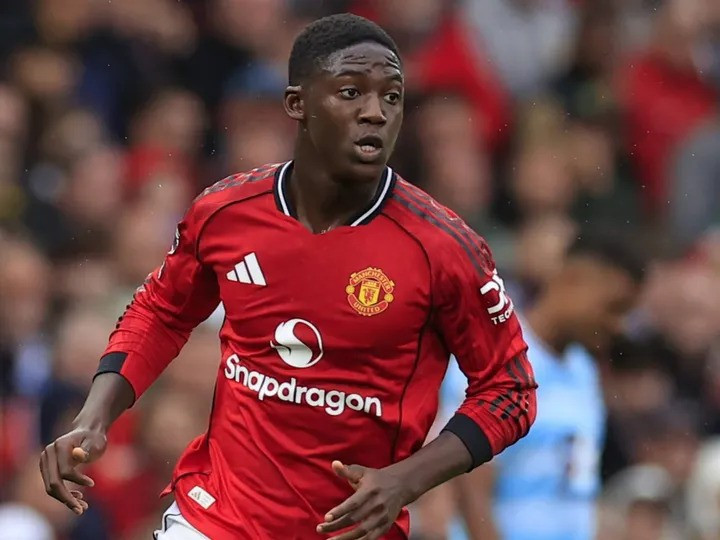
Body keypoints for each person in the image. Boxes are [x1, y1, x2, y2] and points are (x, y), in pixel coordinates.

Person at [38, 14, 537, 540]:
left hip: (348, 530)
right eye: (351, 92)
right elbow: (162, 312)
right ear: (297, 104)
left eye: (392, 97)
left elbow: (510, 390)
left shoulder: (444, 248)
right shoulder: (226, 212)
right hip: (215, 517)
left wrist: (407, 479)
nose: (375, 112)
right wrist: (94, 417)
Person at [422, 235, 644, 540]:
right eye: (614, 308)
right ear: (574, 280)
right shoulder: (496, 357)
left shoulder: (584, 370)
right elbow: (471, 494)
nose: (619, 326)